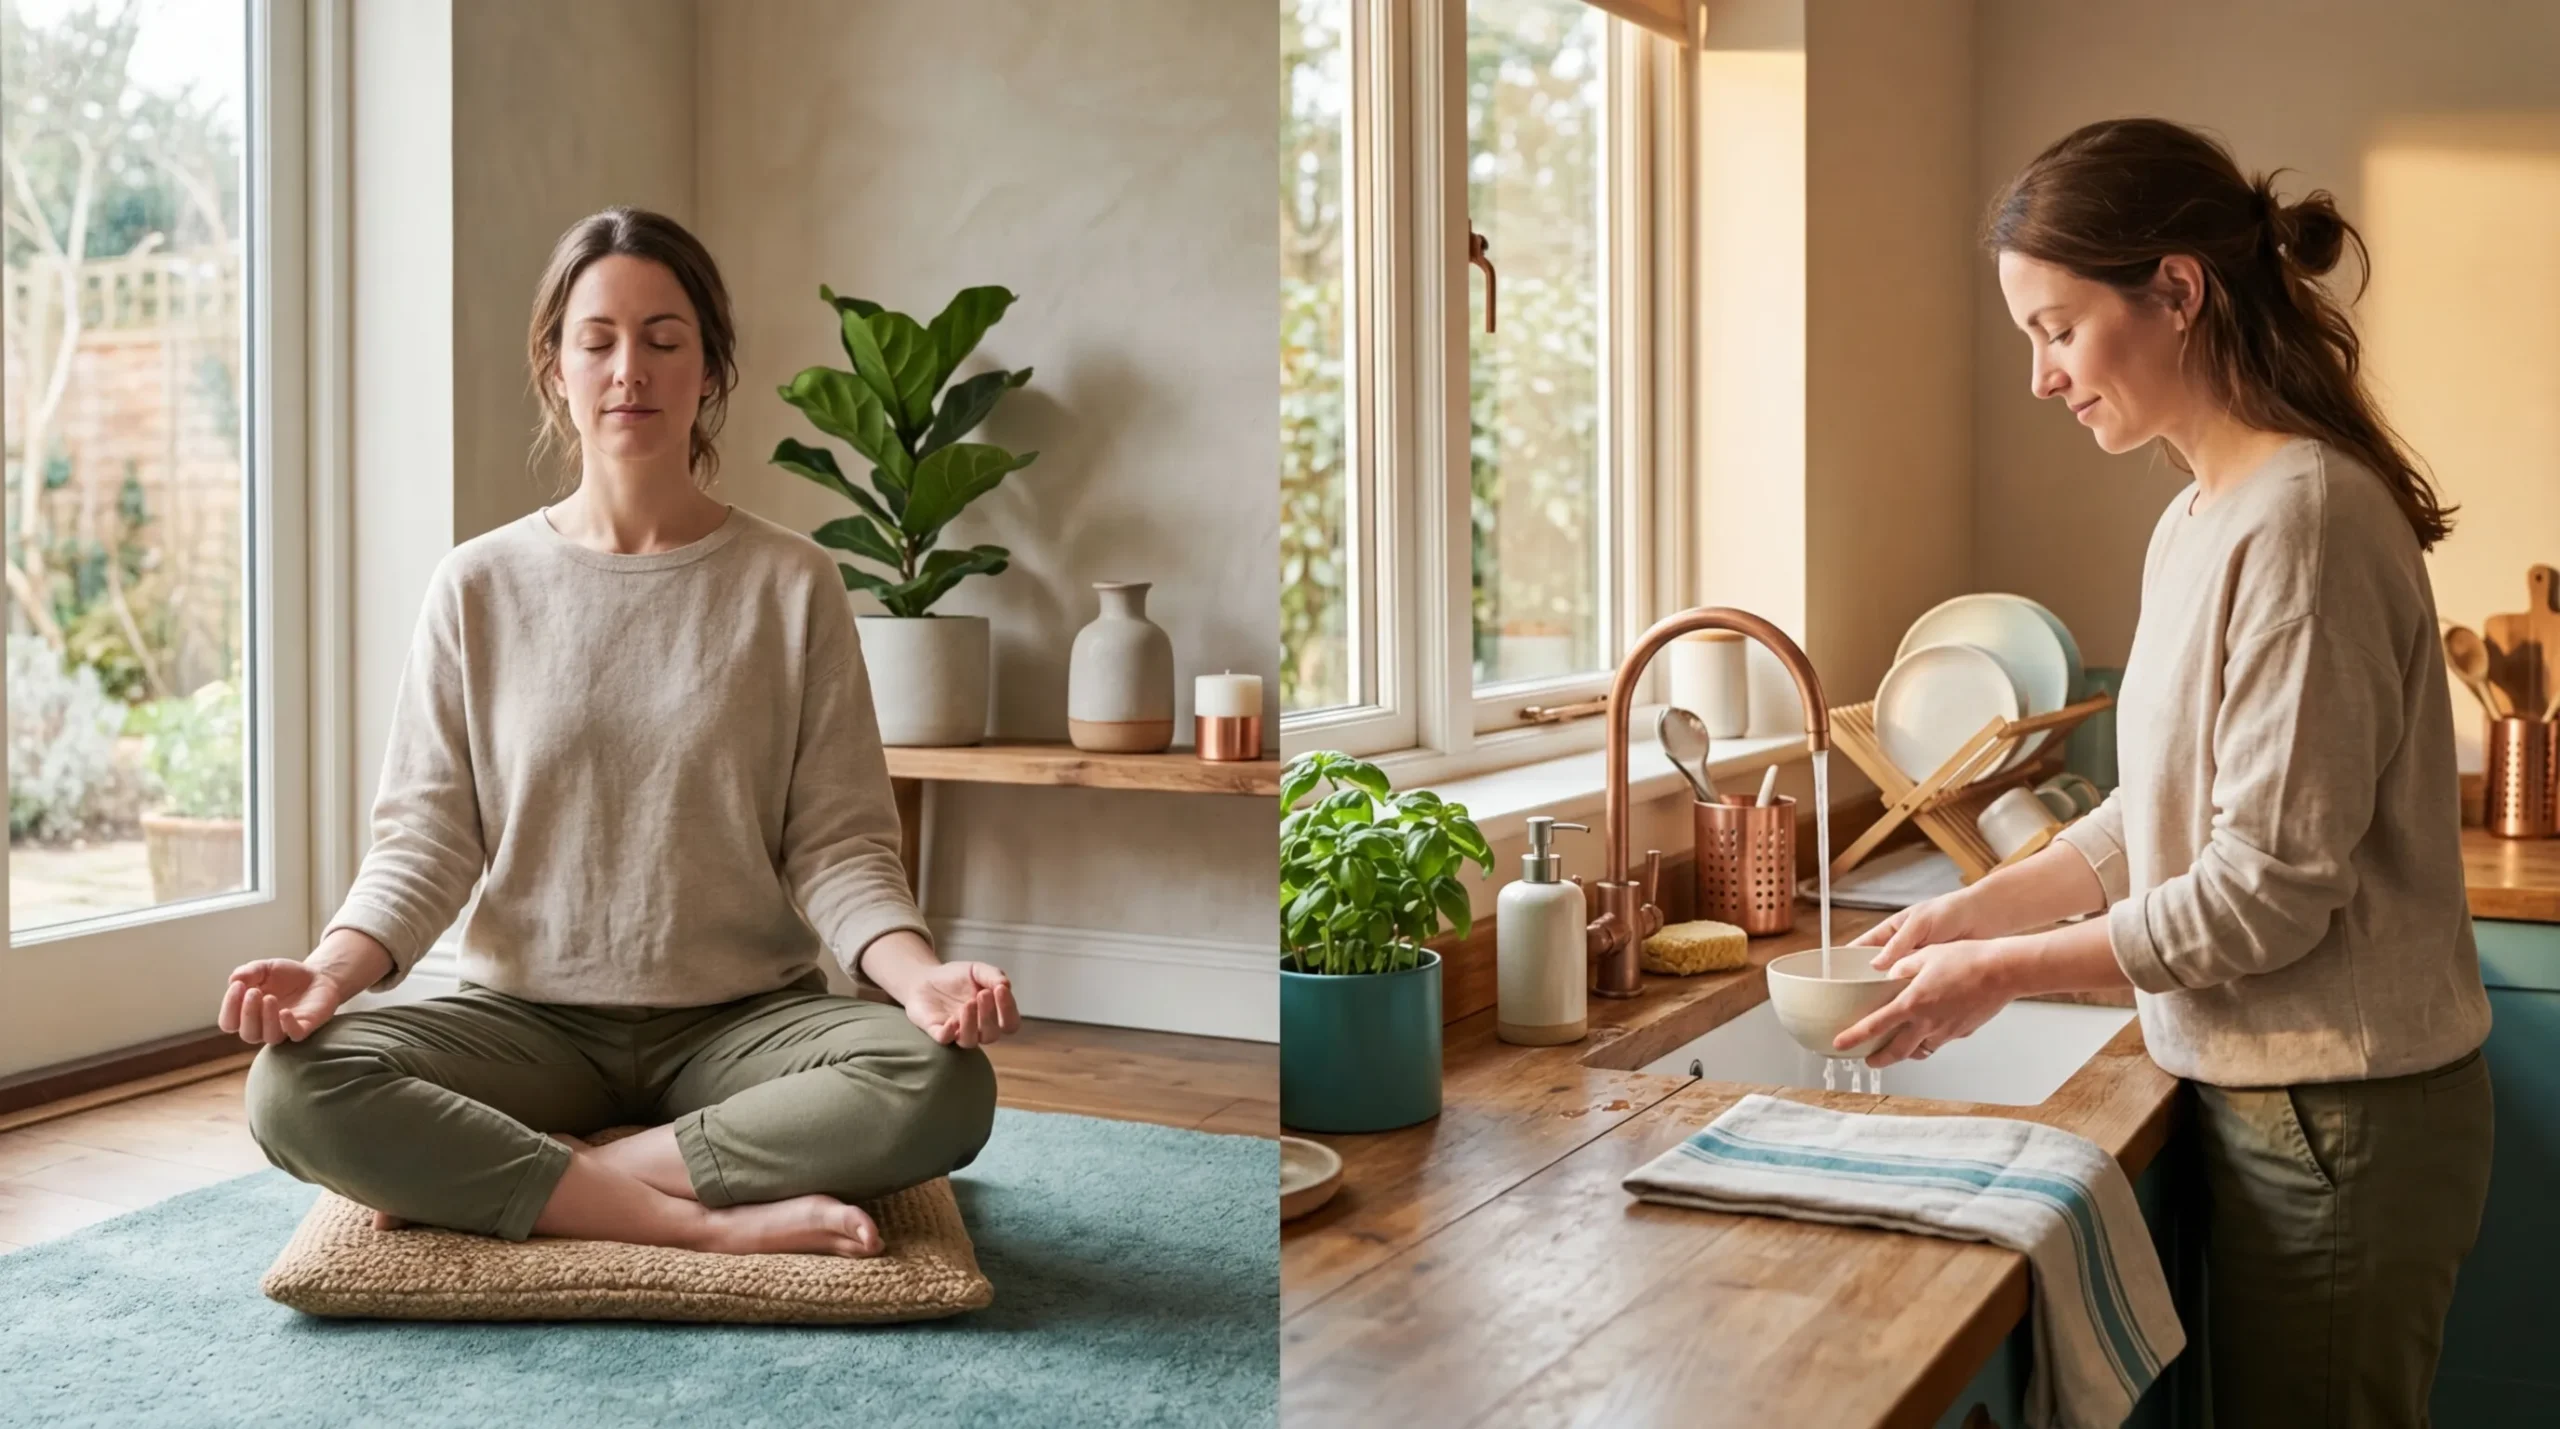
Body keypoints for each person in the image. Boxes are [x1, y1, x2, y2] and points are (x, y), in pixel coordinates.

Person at [1831, 118, 2494, 1424]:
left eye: (2058, 328)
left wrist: (1998, 972)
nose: (2040, 377)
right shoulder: (2198, 511)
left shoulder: (2302, 519)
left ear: (2177, 289)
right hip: (2273, 1103)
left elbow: (2262, 893)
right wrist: (1977, 912)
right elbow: (2165, 811)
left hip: (2338, 1118)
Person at [221, 207, 1018, 1260]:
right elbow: (426, 842)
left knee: (941, 1086)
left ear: (710, 368)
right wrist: (329, 970)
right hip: (524, 1022)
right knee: (291, 1088)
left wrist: (919, 980)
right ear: (556, 367)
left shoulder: (790, 582)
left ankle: (542, 1181)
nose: (628, 369)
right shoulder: (478, 584)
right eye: (596, 340)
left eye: (663, 338)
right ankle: (701, 1222)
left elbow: (837, 844)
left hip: (743, 1023)